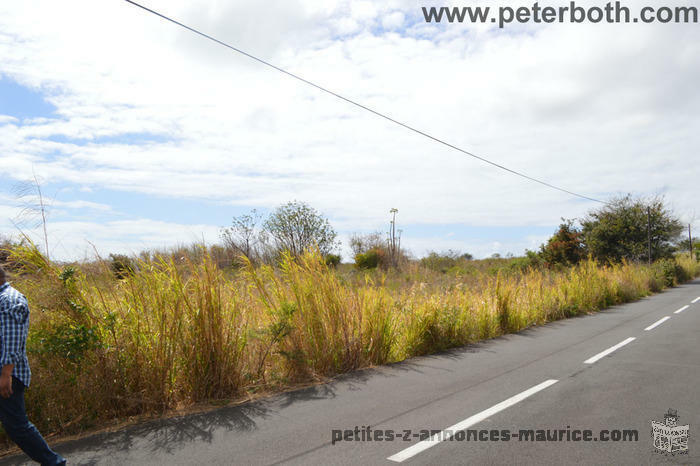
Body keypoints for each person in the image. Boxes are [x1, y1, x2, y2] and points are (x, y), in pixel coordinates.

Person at [0, 265, 66, 465]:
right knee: (15, 424)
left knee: (17, 426)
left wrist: (5, 374)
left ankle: (54, 463)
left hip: (7, 375)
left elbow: (12, 340)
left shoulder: (9, 299)